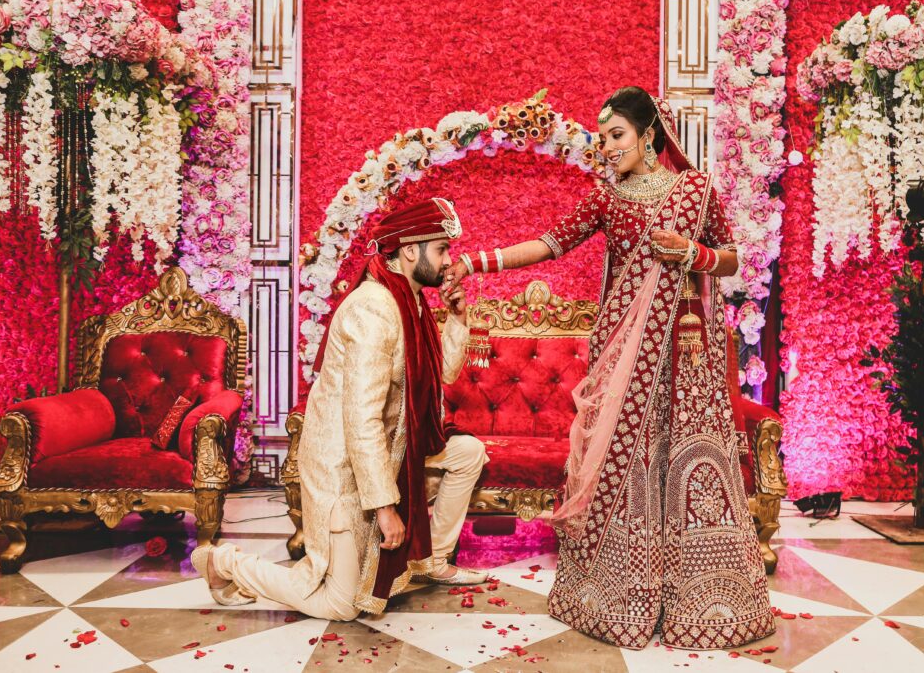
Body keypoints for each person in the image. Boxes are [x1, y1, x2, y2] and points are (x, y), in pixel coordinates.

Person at [443, 87, 775, 650]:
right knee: (630, 469)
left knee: (687, 467)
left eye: (616, 135)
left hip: (685, 358)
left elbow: (735, 257)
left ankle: (703, 596)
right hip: (625, 359)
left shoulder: (695, 191)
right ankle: (621, 593)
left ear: (649, 135)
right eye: (601, 139)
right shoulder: (606, 199)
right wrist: (476, 262)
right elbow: (549, 245)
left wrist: (691, 255)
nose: (608, 148)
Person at [191, 197, 489, 619]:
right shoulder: (374, 310)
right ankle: (222, 562)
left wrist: (457, 320)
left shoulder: (412, 301)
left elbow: (444, 376)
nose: (448, 262)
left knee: (467, 454)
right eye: (441, 250)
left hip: (394, 446)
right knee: (341, 605)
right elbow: (361, 420)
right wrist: (385, 509)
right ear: (409, 250)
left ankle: (433, 560)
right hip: (343, 467)